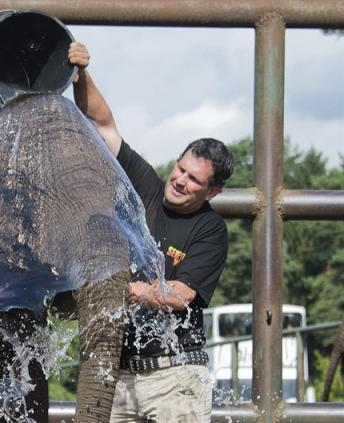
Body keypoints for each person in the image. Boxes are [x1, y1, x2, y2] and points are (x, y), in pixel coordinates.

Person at [69, 41, 233, 422]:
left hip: (175, 377)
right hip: (121, 375)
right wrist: (80, 74)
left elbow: (179, 295)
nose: (179, 181)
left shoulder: (210, 230)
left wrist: (122, 291)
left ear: (213, 191)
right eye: (180, 169)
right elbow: (102, 124)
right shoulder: (145, 185)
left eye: (194, 180)